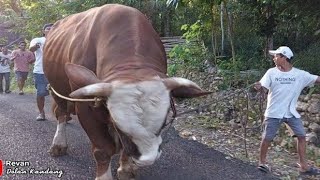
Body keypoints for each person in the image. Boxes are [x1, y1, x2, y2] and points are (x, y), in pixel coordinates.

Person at [254, 46, 320, 175]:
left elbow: (317, 79)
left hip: (290, 113)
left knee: (301, 136)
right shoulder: (271, 73)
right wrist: (259, 87)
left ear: (284, 58)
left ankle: (304, 167)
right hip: (274, 112)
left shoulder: (299, 75)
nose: (274, 58)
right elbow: (263, 88)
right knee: (267, 137)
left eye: (276, 56)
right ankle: (262, 163)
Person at [29, 23, 53, 121]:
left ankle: (62, 114)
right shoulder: (38, 40)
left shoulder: (59, 40)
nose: (51, 29)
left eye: (53, 28)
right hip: (40, 71)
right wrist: (36, 46)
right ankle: (41, 113)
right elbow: (31, 49)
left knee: (61, 92)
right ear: (43, 31)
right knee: (41, 93)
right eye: (48, 28)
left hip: (56, 72)